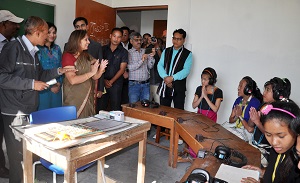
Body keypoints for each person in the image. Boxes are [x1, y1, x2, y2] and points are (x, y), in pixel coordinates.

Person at [0, 16, 75, 183]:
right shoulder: (13, 48)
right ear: (36, 32)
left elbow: (40, 75)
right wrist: (31, 84)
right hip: (14, 109)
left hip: (28, 107)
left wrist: (59, 70)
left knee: (24, 153)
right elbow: (2, 77)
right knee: (18, 156)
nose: (48, 36)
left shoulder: (34, 51)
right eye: (46, 33)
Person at [241, 101, 300, 183]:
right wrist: (263, 173)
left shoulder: (297, 163)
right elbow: (277, 175)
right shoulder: (275, 150)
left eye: (281, 136)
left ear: (295, 132)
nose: (274, 142)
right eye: (268, 134)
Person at [63, 30, 107, 118]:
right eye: (86, 40)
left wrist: (100, 70)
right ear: (78, 41)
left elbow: (94, 77)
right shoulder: (68, 56)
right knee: (74, 125)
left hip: (88, 97)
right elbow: (72, 80)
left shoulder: (86, 56)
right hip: (74, 97)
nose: (89, 42)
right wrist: (91, 73)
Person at [0, 9, 23, 179]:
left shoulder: (14, 43)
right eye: (13, 23)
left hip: (10, 99)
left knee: (10, 137)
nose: (17, 26)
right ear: (2, 25)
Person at [249, 77, 291, 167]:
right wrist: (252, 118)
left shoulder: (277, 113)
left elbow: (272, 135)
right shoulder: (263, 106)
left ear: (277, 94)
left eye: (268, 90)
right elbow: (250, 126)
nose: (264, 93)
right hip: (253, 144)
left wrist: (257, 122)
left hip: (264, 151)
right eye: (265, 89)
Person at [72, 17, 105, 112]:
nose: (80, 28)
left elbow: (100, 67)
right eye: (77, 27)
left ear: (87, 26)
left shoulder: (96, 46)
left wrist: (100, 88)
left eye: (82, 25)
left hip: (92, 83)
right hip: (76, 83)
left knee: (91, 110)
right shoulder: (69, 45)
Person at [157, 28, 193, 110]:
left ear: (184, 40)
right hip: (165, 86)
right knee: (163, 112)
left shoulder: (188, 54)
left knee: (178, 113)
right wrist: (166, 78)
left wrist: (172, 78)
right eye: (174, 38)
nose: (175, 41)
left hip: (179, 88)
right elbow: (160, 65)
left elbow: (186, 70)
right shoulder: (166, 51)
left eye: (179, 39)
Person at [98, 28, 128, 111]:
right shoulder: (102, 49)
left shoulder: (124, 52)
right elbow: (98, 66)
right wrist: (104, 80)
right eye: (114, 36)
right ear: (110, 36)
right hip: (102, 82)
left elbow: (122, 69)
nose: (116, 39)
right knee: (100, 107)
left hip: (116, 84)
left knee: (115, 108)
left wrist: (111, 81)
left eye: (119, 37)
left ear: (121, 38)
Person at [227, 76, 262, 142]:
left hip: (246, 133)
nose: (238, 88)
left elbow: (250, 127)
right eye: (238, 86)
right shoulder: (238, 100)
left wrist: (240, 116)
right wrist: (236, 117)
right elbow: (230, 120)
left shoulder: (255, 102)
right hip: (236, 128)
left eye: (240, 86)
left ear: (247, 89)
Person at [37, 22, 63, 110]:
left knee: (56, 116)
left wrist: (58, 83)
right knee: (43, 116)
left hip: (57, 87)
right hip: (43, 88)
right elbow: (37, 70)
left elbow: (61, 66)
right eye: (49, 32)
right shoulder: (38, 49)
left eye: (54, 32)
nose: (52, 35)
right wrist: (51, 85)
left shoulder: (57, 48)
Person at [127, 31, 155, 103]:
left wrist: (151, 56)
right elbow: (130, 67)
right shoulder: (128, 53)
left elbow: (150, 66)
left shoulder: (145, 51)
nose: (139, 42)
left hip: (146, 84)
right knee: (133, 107)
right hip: (134, 85)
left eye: (140, 40)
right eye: (136, 40)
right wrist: (142, 60)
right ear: (131, 41)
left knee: (145, 107)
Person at [120, 26, 132, 105]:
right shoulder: (116, 46)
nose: (124, 37)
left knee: (128, 96)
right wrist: (123, 71)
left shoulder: (132, 45)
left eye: (126, 35)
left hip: (131, 73)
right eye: (122, 34)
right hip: (119, 73)